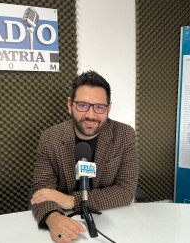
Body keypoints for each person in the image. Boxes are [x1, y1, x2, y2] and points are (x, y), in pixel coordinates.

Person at [30, 70, 139, 242]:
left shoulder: (124, 135)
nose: (90, 114)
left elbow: (125, 191)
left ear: (108, 108)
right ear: (69, 104)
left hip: (112, 219)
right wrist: (52, 217)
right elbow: (41, 189)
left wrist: (72, 200)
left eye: (99, 107)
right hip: (66, 219)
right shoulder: (51, 138)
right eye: (82, 105)